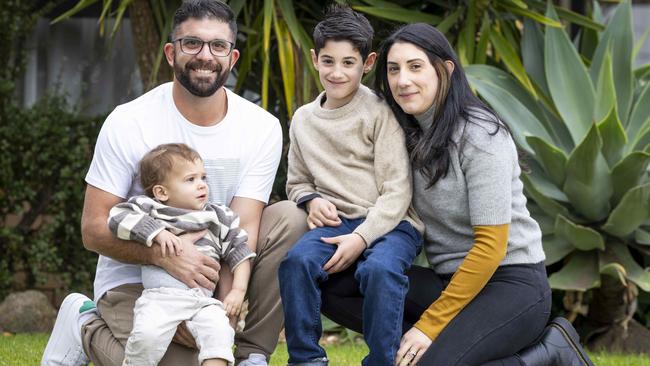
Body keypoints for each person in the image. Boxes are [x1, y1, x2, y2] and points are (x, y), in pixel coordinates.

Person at [41, 1, 308, 365]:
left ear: (232, 57)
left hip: (209, 277)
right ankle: (83, 322)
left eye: (218, 46)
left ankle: (252, 354)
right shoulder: (129, 121)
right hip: (135, 281)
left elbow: (243, 228)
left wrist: (216, 310)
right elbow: (93, 228)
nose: (205, 56)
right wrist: (164, 256)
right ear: (171, 52)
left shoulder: (261, 127)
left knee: (291, 217)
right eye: (192, 43)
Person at [319, 23, 595, 366]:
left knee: (431, 361)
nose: (402, 80)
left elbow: (490, 248)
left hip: (511, 286)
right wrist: (311, 199)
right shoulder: (404, 132)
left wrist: (429, 328)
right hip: (450, 282)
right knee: (331, 284)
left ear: (445, 69)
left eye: (415, 66)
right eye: (394, 69)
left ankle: (550, 356)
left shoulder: (480, 135)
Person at [278, 6, 424, 366]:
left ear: (368, 62)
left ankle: (382, 360)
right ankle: (307, 359)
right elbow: (296, 181)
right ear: (314, 59)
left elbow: (397, 191)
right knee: (295, 263)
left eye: (348, 62)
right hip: (337, 222)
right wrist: (310, 201)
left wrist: (362, 238)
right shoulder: (303, 120)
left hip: (393, 222)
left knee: (379, 270)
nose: (337, 72)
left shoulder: (378, 113)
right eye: (328, 61)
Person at [108, 143, 255, 366]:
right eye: (190, 179)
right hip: (159, 297)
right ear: (161, 192)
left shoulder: (218, 217)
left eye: (203, 177)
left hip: (203, 301)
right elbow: (116, 217)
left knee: (220, 334)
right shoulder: (151, 210)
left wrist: (238, 290)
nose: (201, 185)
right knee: (146, 337)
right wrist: (156, 232)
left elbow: (241, 252)